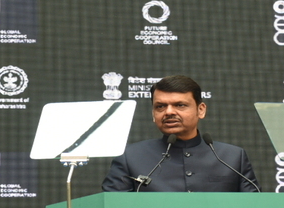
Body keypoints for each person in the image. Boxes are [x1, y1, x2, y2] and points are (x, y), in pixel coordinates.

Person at [102, 75, 258, 192]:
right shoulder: (130, 157)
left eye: (180, 105)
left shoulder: (232, 158)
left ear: (201, 110)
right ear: (153, 113)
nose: (169, 112)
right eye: (160, 106)